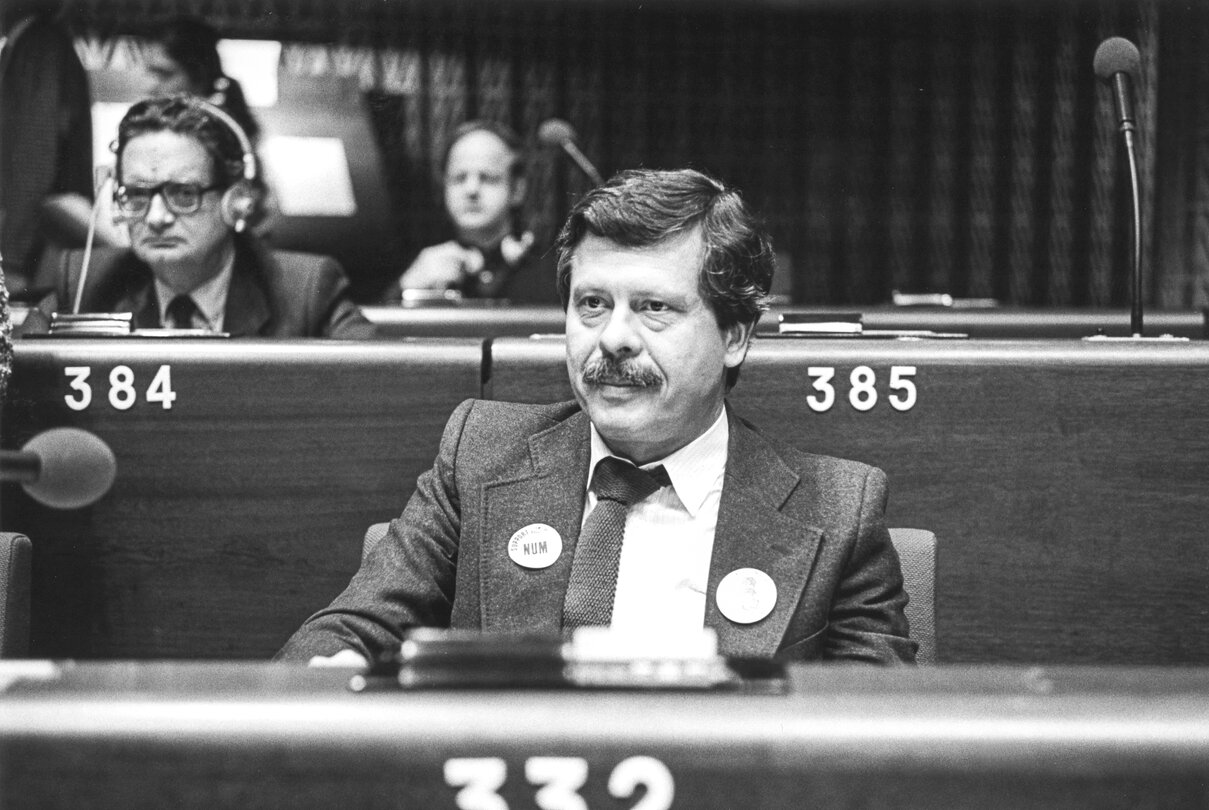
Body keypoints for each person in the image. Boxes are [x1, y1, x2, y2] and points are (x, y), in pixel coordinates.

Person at [281, 167, 914, 665]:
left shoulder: (836, 512)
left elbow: (876, 744)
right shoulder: (479, 458)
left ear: (735, 337)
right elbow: (356, 625)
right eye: (592, 304)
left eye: (654, 307)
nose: (613, 338)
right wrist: (327, 674)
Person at [24, 96, 371, 338]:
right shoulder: (85, 283)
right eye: (137, 196)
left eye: (184, 194)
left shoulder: (306, 291)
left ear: (236, 202)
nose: (157, 218)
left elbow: (391, 390)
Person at [395, 120, 556, 304]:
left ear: (517, 190)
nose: (471, 190)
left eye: (487, 178)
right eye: (459, 178)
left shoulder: (554, 275)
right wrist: (404, 289)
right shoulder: (422, 266)